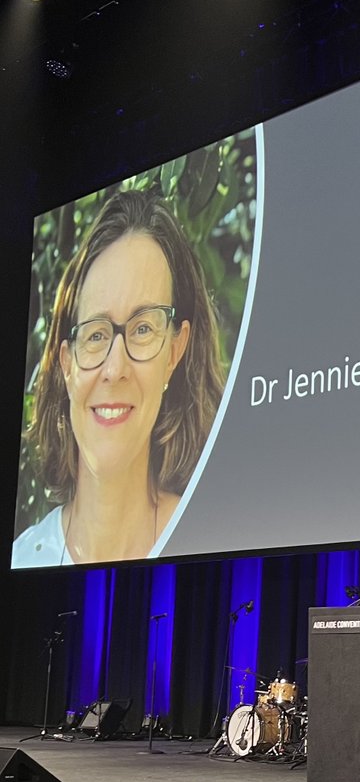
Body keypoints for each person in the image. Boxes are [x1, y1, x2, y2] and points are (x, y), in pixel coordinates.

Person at [14, 189, 225, 566]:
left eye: (143, 329)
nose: (115, 369)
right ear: (66, 364)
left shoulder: (214, 541)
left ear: (175, 352)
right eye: (95, 335)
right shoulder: (24, 557)